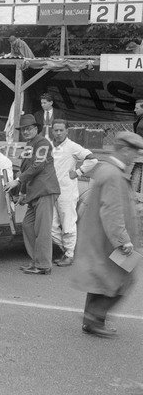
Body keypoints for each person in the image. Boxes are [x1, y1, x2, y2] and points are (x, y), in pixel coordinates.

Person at [71, 131, 143, 338]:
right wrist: (124, 242)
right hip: (110, 241)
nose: (135, 157)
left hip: (101, 239)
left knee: (100, 279)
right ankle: (94, 317)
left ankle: (91, 320)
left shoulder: (107, 170)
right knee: (126, 279)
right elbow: (112, 211)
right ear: (125, 150)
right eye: (134, 152)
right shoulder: (113, 174)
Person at [4, 114, 60, 275]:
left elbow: (38, 166)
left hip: (45, 191)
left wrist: (17, 181)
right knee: (28, 226)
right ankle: (37, 261)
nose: (26, 132)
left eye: (29, 128)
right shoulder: (30, 144)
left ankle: (43, 265)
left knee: (42, 230)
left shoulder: (42, 143)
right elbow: (26, 169)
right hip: (35, 193)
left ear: (36, 128)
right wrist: (22, 192)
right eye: (23, 130)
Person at [50, 119, 98, 267]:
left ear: (66, 131)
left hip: (67, 191)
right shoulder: (50, 146)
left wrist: (78, 172)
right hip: (51, 190)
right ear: (52, 131)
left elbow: (93, 160)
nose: (58, 133)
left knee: (68, 223)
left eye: (61, 130)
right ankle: (69, 251)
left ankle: (69, 255)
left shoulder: (72, 146)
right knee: (50, 225)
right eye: (56, 130)